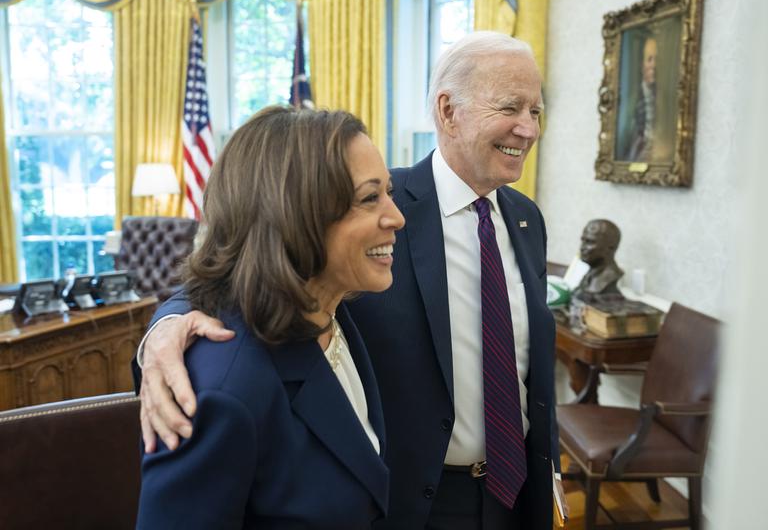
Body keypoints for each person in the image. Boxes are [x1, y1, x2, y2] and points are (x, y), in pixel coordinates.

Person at [137, 32, 560, 529]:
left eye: (536, 110)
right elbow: (249, 264)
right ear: (448, 112)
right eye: (511, 107)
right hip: (410, 501)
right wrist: (165, 328)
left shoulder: (527, 219)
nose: (528, 129)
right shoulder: (370, 210)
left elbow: (527, 371)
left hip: (515, 493)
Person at [135, 106, 405, 529]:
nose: (397, 216)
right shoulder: (222, 395)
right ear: (297, 213)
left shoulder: (337, 303)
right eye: (370, 198)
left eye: (388, 192)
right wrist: (163, 326)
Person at [573, 219, 624, 301]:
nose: (582, 247)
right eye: (583, 241)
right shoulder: (589, 275)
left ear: (611, 247)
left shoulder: (609, 277)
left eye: (590, 242)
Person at [626, 36, 658, 162]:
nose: (654, 65)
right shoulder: (632, 100)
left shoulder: (666, 98)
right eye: (649, 59)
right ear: (641, 65)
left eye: (657, 59)